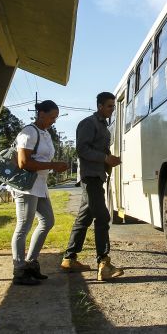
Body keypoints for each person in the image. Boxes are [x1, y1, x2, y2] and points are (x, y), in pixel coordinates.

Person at [61, 91, 124, 281]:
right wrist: (105, 158)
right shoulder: (88, 123)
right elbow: (82, 149)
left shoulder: (103, 125)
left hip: (97, 176)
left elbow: (99, 149)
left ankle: (69, 258)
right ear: (99, 106)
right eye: (109, 106)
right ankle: (104, 263)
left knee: (84, 218)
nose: (112, 109)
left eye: (113, 106)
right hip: (90, 177)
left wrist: (110, 159)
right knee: (103, 217)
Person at [10, 99, 69, 286]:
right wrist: (53, 165)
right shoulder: (29, 132)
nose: (54, 121)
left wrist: (54, 165)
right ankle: (19, 270)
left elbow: (42, 159)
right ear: (41, 114)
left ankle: (31, 263)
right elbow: (24, 163)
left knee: (48, 221)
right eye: (52, 117)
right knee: (23, 226)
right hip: (26, 187)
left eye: (56, 118)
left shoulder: (45, 133)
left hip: (40, 185)